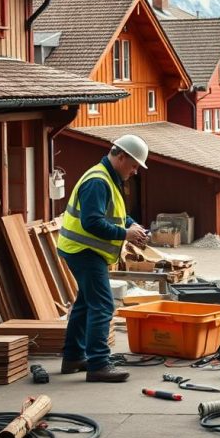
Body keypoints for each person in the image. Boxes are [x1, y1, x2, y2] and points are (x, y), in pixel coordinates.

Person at [57, 135, 150, 383]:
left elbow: (115, 214)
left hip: (82, 249)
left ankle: (74, 357)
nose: (135, 170)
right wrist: (125, 233)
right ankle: (98, 364)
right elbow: (92, 222)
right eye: (134, 165)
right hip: (83, 250)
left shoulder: (108, 177)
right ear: (121, 156)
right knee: (103, 304)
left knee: (86, 303)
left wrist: (132, 226)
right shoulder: (98, 181)